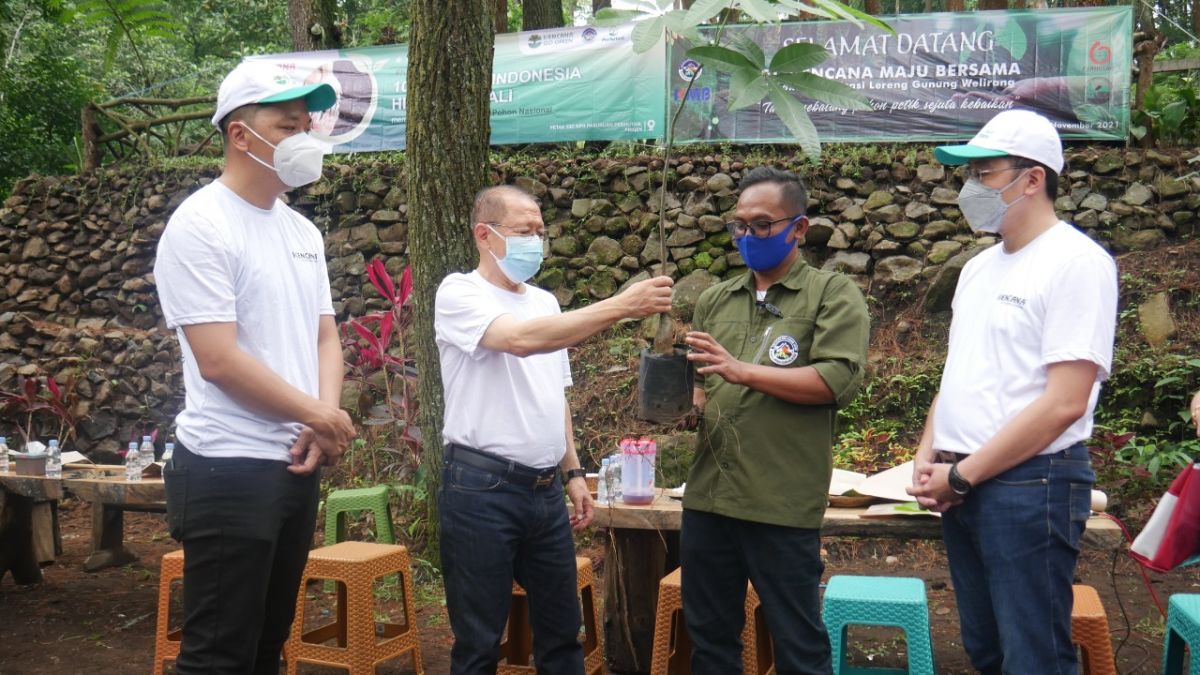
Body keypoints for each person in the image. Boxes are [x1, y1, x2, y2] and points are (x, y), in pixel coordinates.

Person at [153, 60, 356, 675]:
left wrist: (320, 422)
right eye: (287, 124)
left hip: (293, 464)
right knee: (218, 654)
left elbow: (326, 336)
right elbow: (218, 360)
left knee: (269, 645)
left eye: (307, 123)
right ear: (241, 135)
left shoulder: (301, 230)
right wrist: (319, 414)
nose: (304, 137)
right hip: (226, 468)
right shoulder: (200, 224)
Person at [907, 109, 1118, 674]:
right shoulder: (978, 268)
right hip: (965, 482)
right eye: (969, 174)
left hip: (1031, 483)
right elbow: (962, 371)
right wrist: (930, 451)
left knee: (1034, 657)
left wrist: (963, 474)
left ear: (1032, 179)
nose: (971, 188)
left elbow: (1065, 401)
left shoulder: (1077, 263)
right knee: (988, 651)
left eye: (985, 172)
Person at [434, 185, 674, 674]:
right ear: (485, 235)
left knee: (563, 635)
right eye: (525, 231)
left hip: (544, 492)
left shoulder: (545, 302)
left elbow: (554, 395)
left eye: (541, 232)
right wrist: (621, 305)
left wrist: (573, 473)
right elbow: (518, 341)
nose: (536, 242)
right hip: (481, 489)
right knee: (479, 640)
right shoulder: (460, 292)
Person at [681, 166, 870, 674]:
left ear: (800, 228)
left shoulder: (831, 294)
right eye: (739, 225)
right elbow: (700, 387)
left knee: (797, 641)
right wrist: (681, 407)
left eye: (762, 225)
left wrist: (742, 372)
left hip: (780, 501)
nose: (748, 235)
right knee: (711, 638)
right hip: (709, 498)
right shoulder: (716, 299)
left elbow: (835, 381)